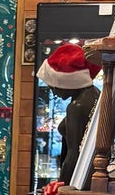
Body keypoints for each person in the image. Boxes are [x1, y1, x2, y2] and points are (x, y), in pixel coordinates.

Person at [37, 42, 101, 178]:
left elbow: (74, 154)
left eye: (53, 87)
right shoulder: (96, 94)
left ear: (67, 83)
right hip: (89, 173)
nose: (54, 93)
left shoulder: (76, 107)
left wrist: (61, 184)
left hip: (77, 177)